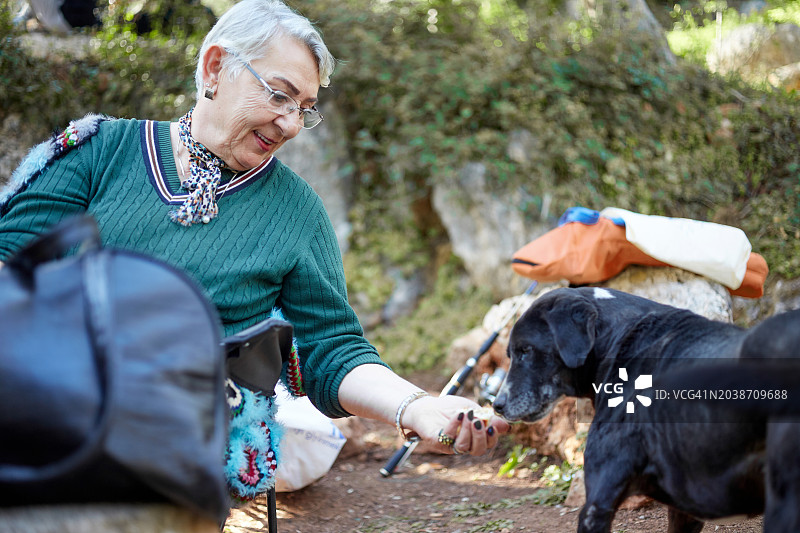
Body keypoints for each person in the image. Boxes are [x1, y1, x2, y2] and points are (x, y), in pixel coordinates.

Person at [0, 0, 509, 470]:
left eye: (304, 108)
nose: (289, 123)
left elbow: (330, 349)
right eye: (279, 94)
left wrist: (416, 407)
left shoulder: (296, 213)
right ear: (215, 67)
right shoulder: (99, 150)